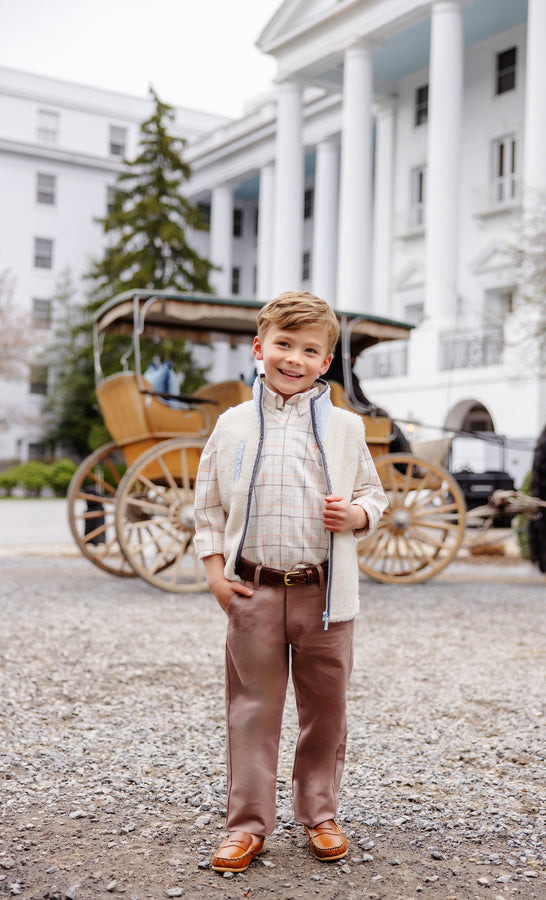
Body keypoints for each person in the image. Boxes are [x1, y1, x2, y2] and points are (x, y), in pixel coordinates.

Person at [193, 291, 387, 873]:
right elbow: (205, 507)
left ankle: (319, 813)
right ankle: (247, 824)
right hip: (252, 591)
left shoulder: (348, 429)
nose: (294, 359)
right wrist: (215, 578)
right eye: (283, 344)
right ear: (259, 348)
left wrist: (356, 516)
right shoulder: (232, 426)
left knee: (325, 709)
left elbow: (375, 495)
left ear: (325, 362)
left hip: (327, 598)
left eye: (309, 350)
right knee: (252, 709)